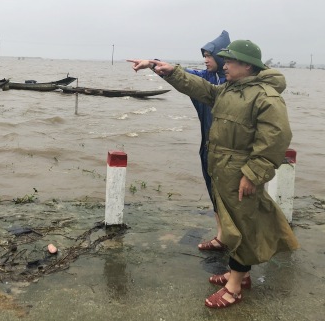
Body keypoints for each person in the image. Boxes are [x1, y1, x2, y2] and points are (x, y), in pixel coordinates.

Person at [127, 39, 299, 309]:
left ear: (247, 65)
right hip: (222, 170)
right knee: (233, 226)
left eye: (229, 61)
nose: (225, 65)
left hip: (241, 174)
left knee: (242, 228)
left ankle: (234, 287)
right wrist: (169, 71)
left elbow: (276, 139)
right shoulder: (230, 89)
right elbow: (201, 88)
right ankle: (238, 276)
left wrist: (253, 174)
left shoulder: (266, 97)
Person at [185, 30, 231, 252]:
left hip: (230, 152)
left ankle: (238, 252)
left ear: (222, 57)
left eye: (209, 56)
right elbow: (181, 74)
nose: (205, 59)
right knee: (213, 191)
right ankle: (222, 236)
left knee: (232, 198)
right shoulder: (205, 79)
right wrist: (153, 64)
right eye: (204, 55)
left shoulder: (235, 84)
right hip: (208, 146)